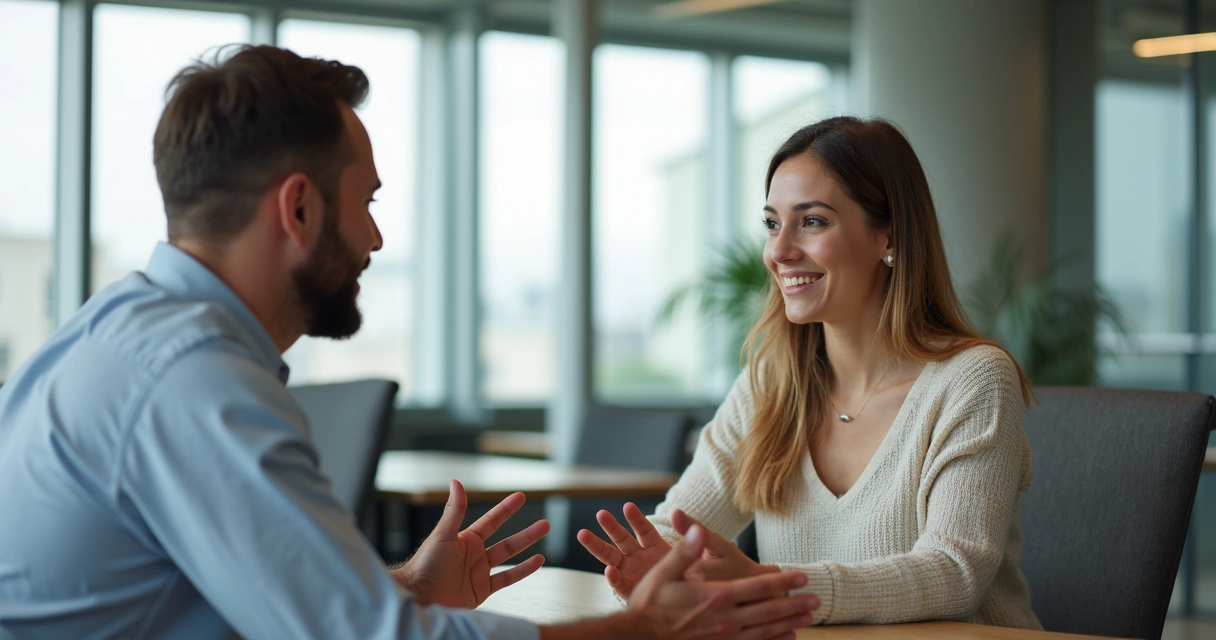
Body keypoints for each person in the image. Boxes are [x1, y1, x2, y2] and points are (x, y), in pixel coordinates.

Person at [0, 45, 822, 640]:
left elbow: (235, 602)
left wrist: (399, 588)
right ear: (298, 209)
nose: (375, 240)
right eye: (366, 202)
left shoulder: (112, 334)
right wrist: (643, 633)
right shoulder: (196, 381)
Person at [577, 116, 1043, 630]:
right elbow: (677, 528)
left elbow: (955, 573)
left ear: (889, 235)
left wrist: (773, 587)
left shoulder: (972, 380)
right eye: (772, 224)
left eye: (813, 222)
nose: (779, 252)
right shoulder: (768, 383)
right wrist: (657, 571)